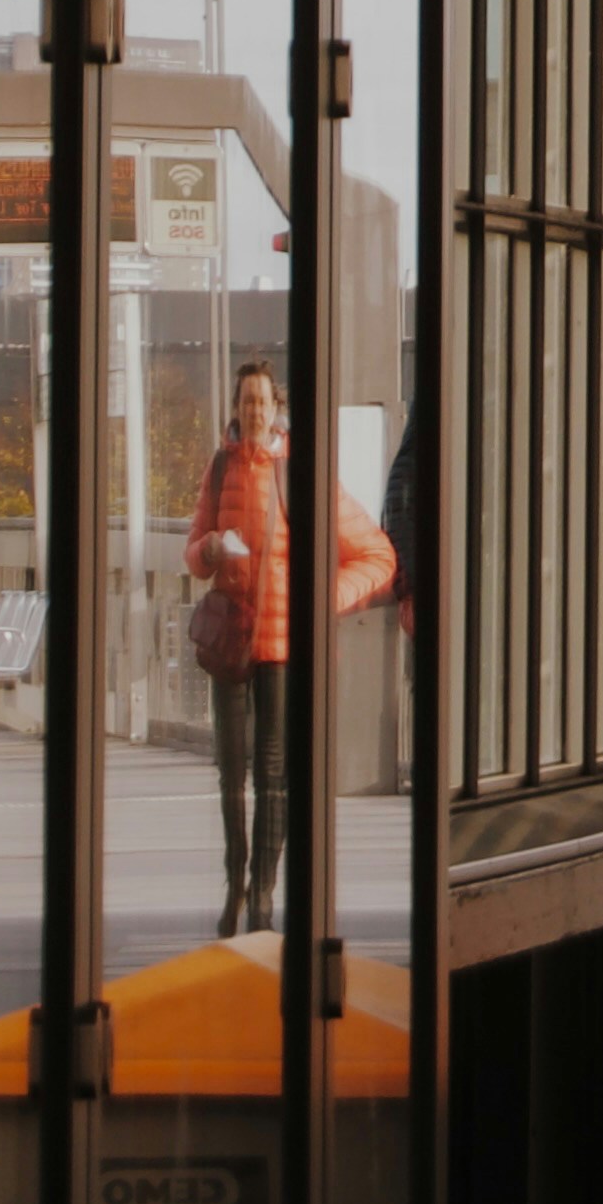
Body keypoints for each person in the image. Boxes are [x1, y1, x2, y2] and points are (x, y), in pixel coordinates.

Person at [185, 363, 393, 939]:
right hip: (230, 637)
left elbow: (377, 554)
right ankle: (235, 884)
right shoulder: (221, 465)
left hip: (281, 642)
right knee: (229, 771)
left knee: (271, 774)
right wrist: (208, 550)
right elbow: (192, 549)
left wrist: (323, 598)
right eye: (246, 401)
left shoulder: (301, 472)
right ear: (236, 407)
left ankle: (264, 895)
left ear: (277, 409)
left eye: (263, 402)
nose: (255, 411)